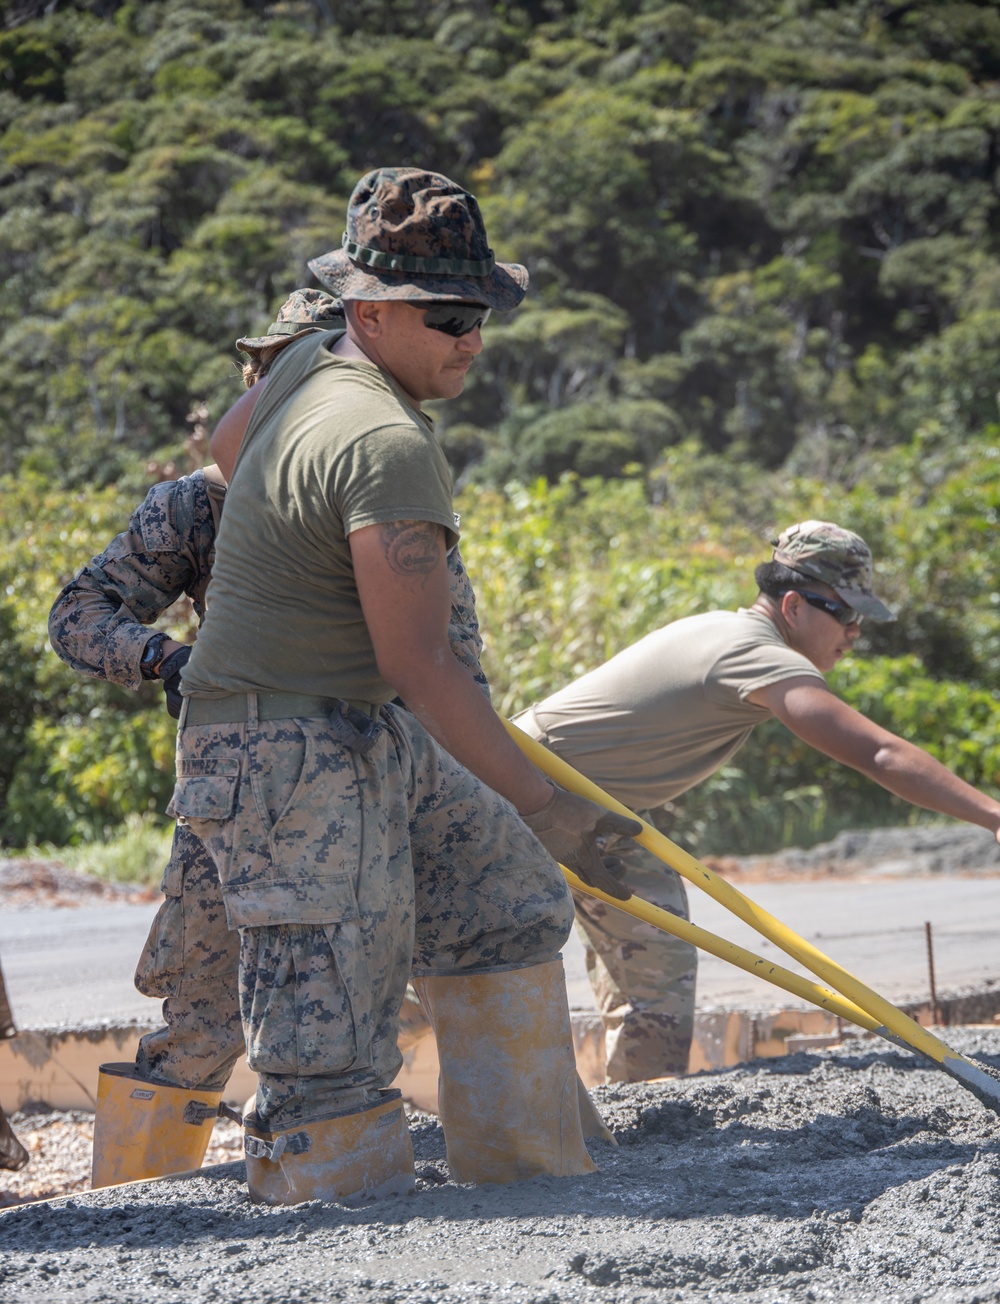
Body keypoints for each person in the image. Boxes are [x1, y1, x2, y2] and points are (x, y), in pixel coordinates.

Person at [171, 167, 638, 1206]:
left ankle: (528, 1178)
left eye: (480, 314)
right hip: (282, 748)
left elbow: (228, 443)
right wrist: (552, 807)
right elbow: (421, 664)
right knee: (326, 1028)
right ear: (368, 312)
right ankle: (337, 1229)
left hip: (361, 725)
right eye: (446, 316)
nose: (469, 337)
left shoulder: (307, 371)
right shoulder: (385, 443)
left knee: (505, 899)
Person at [47, 288, 497, 1187]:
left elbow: (451, 656)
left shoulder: (380, 475)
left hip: (383, 769)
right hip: (250, 781)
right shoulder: (194, 509)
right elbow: (78, 614)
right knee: (204, 1018)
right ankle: (132, 1202)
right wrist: (167, 662)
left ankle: (521, 1146)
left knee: (440, 969)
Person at [516, 521, 1000, 1083]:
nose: (854, 633)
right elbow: (879, 755)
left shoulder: (724, 630)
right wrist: (992, 816)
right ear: (794, 606)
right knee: (456, 954)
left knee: (657, 960)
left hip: (590, 806)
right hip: (519, 791)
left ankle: (640, 1104)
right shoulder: (758, 654)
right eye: (844, 614)